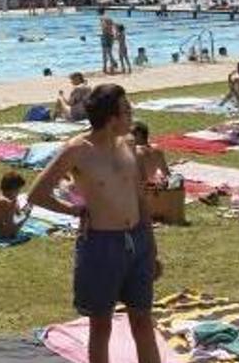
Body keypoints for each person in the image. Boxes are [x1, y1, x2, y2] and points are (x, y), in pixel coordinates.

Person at [27, 84, 162, 363]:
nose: (132, 116)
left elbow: (139, 197)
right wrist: (75, 210)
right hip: (101, 246)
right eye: (127, 111)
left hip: (137, 240)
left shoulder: (128, 144)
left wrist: (152, 248)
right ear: (111, 118)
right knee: (101, 326)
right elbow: (37, 193)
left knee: (143, 320)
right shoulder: (78, 149)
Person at [131, 122, 170, 186]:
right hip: (156, 188)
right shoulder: (157, 151)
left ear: (138, 135)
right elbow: (167, 174)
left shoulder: (135, 152)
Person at [99, 9, 115, 74]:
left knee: (104, 53)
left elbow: (104, 27)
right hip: (111, 36)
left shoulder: (102, 19)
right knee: (110, 53)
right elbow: (113, 26)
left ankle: (105, 68)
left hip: (105, 36)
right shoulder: (110, 18)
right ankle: (112, 67)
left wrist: (103, 33)